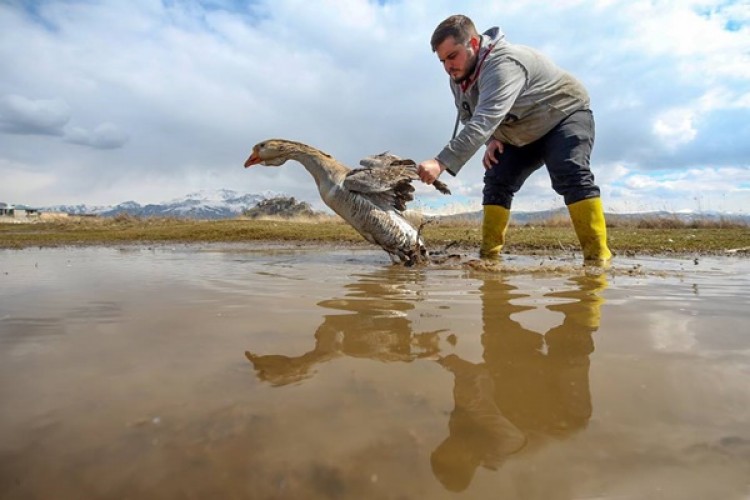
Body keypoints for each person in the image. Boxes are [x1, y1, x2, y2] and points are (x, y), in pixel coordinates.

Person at [417, 14, 612, 264]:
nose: (448, 66)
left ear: (474, 44)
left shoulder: (503, 64)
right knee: (497, 177)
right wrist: (492, 140)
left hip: (562, 114)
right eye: (442, 60)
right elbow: (469, 115)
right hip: (519, 130)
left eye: (452, 56)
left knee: (568, 170)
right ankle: (489, 259)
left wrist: (440, 162)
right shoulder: (457, 77)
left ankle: (598, 260)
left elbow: (484, 119)